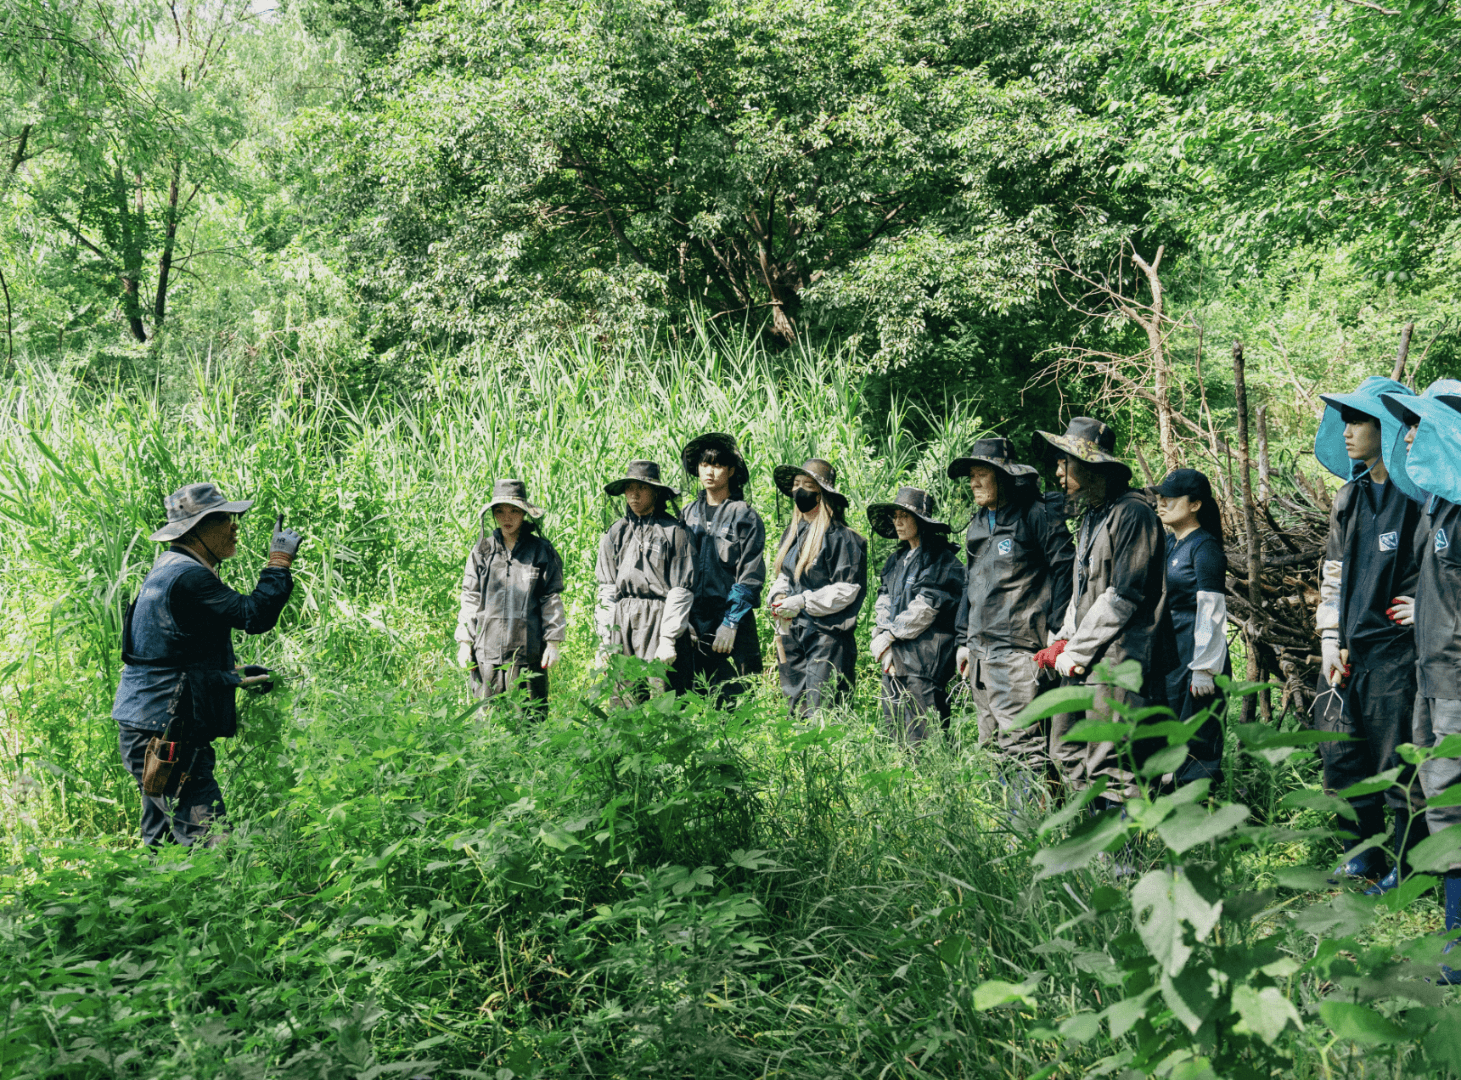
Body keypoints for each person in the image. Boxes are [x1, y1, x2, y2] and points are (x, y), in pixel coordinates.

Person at [112, 483, 301, 846]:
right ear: (195, 530)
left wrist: (233, 678)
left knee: (162, 839)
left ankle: (158, 897)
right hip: (166, 731)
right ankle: (228, 897)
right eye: (223, 519)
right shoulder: (189, 576)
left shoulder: (171, 567)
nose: (234, 526)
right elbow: (254, 615)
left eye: (234, 517)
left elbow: (169, 659)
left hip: (148, 725)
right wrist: (279, 562)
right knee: (209, 839)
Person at [1310, 376, 1424, 892]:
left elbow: (1442, 566)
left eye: (1358, 421)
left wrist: (1425, 605)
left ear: (1387, 426)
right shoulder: (1348, 498)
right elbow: (1333, 571)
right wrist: (1329, 638)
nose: (1348, 430)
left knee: (1394, 756)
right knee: (1341, 750)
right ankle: (1362, 853)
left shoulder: (1418, 495)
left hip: (1395, 653)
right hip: (1347, 650)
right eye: (1346, 421)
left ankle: (1408, 859)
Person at [1034, 418, 1166, 803]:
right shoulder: (1092, 516)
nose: (1058, 472)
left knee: (1113, 761)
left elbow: (1123, 595)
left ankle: (1123, 860)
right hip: (1084, 660)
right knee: (1065, 748)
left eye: (1066, 463)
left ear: (1093, 467)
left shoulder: (1134, 514)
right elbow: (1083, 589)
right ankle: (1092, 851)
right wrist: (1063, 638)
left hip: (1117, 662)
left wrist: (1076, 651)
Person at [1381, 380, 1461, 970]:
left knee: (1454, 800)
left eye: (1418, 423)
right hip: (1431, 672)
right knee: (1437, 794)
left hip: (1458, 679)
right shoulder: (1441, 505)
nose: (1406, 435)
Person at [950, 439, 1074, 772]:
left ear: (1004, 476)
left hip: (1017, 650)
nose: (974, 483)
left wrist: (1059, 629)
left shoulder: (1036, 513)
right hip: (979, 652)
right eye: (971, 476)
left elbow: (1064, 566)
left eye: (981, 475)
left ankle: (1033, 822)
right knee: (991, 747)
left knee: (1023, 746)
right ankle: (1007, 821)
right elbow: (971, 582)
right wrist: (964, 640)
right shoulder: (977, 523)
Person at [453, 479, 566, 719]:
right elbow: (470, 596)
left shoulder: (540, 550)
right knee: (487, 722)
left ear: (525, 513)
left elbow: (550, 598)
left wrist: (553, 643)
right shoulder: (483, 549)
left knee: (531, 721)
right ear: (493, 514)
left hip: (528, 651)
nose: (507, 517)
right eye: (500, 511)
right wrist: (465, 642)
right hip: (487, 651)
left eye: (514, 511)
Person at [768, 459, 868, 716]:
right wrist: (780, 597)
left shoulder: (843, 538)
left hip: (827, 637)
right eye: (796, 484)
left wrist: (802, 601)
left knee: (822, 713)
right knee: (795, 707)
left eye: (808, 485)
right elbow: (785, 576)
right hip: (793, 633)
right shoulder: (793, 533)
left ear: (822, 493)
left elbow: (847, 590)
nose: (800, 490)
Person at [867, 487, 964, 744]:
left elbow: (925, 608)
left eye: (904, 516)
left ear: (920, 521)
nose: (897, 522)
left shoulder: (942, 561)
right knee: (895, 730)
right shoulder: (896, 560)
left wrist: (889, 635)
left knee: (926, 735)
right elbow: (884, 598)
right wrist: (881, 633)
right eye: (895, 516)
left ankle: (935, 782)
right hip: (897, 656)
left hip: (926, 659)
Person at [1152, 468, 1230, 786]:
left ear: (1195, 504)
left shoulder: (1205, 547)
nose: (1162, 502)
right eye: (1160, 497)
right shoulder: (1171, 545)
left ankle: (1204, 828)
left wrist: (1205, 668)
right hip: (1173, 659)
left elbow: (1211, 609)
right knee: (1169, 746)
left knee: (1196, 751)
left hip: (1198, 661)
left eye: (1170, 497)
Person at [595, 460, 696, 702]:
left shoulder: (675, 532)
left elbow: (681, 589)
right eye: (629, 488)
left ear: (656, 492)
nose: (634, 495)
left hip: (660, 619)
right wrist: (606, 639)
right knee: (625, 698)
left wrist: (668, 639)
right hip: (623, 621)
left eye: (641, 488)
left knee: (663, 697)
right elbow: (607, 588)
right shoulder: (615, 532)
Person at [680, 433, 766, 706]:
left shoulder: (745, 515)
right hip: (694, 618)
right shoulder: (687, 514)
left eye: (717, 465)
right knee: (691, 696)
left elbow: (750, 574)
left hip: (732, 618)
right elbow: (677, 572)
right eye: (704, 465)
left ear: (730, 470)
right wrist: (682, 620)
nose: (709, 471)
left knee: (740, 699)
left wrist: (731, 623)